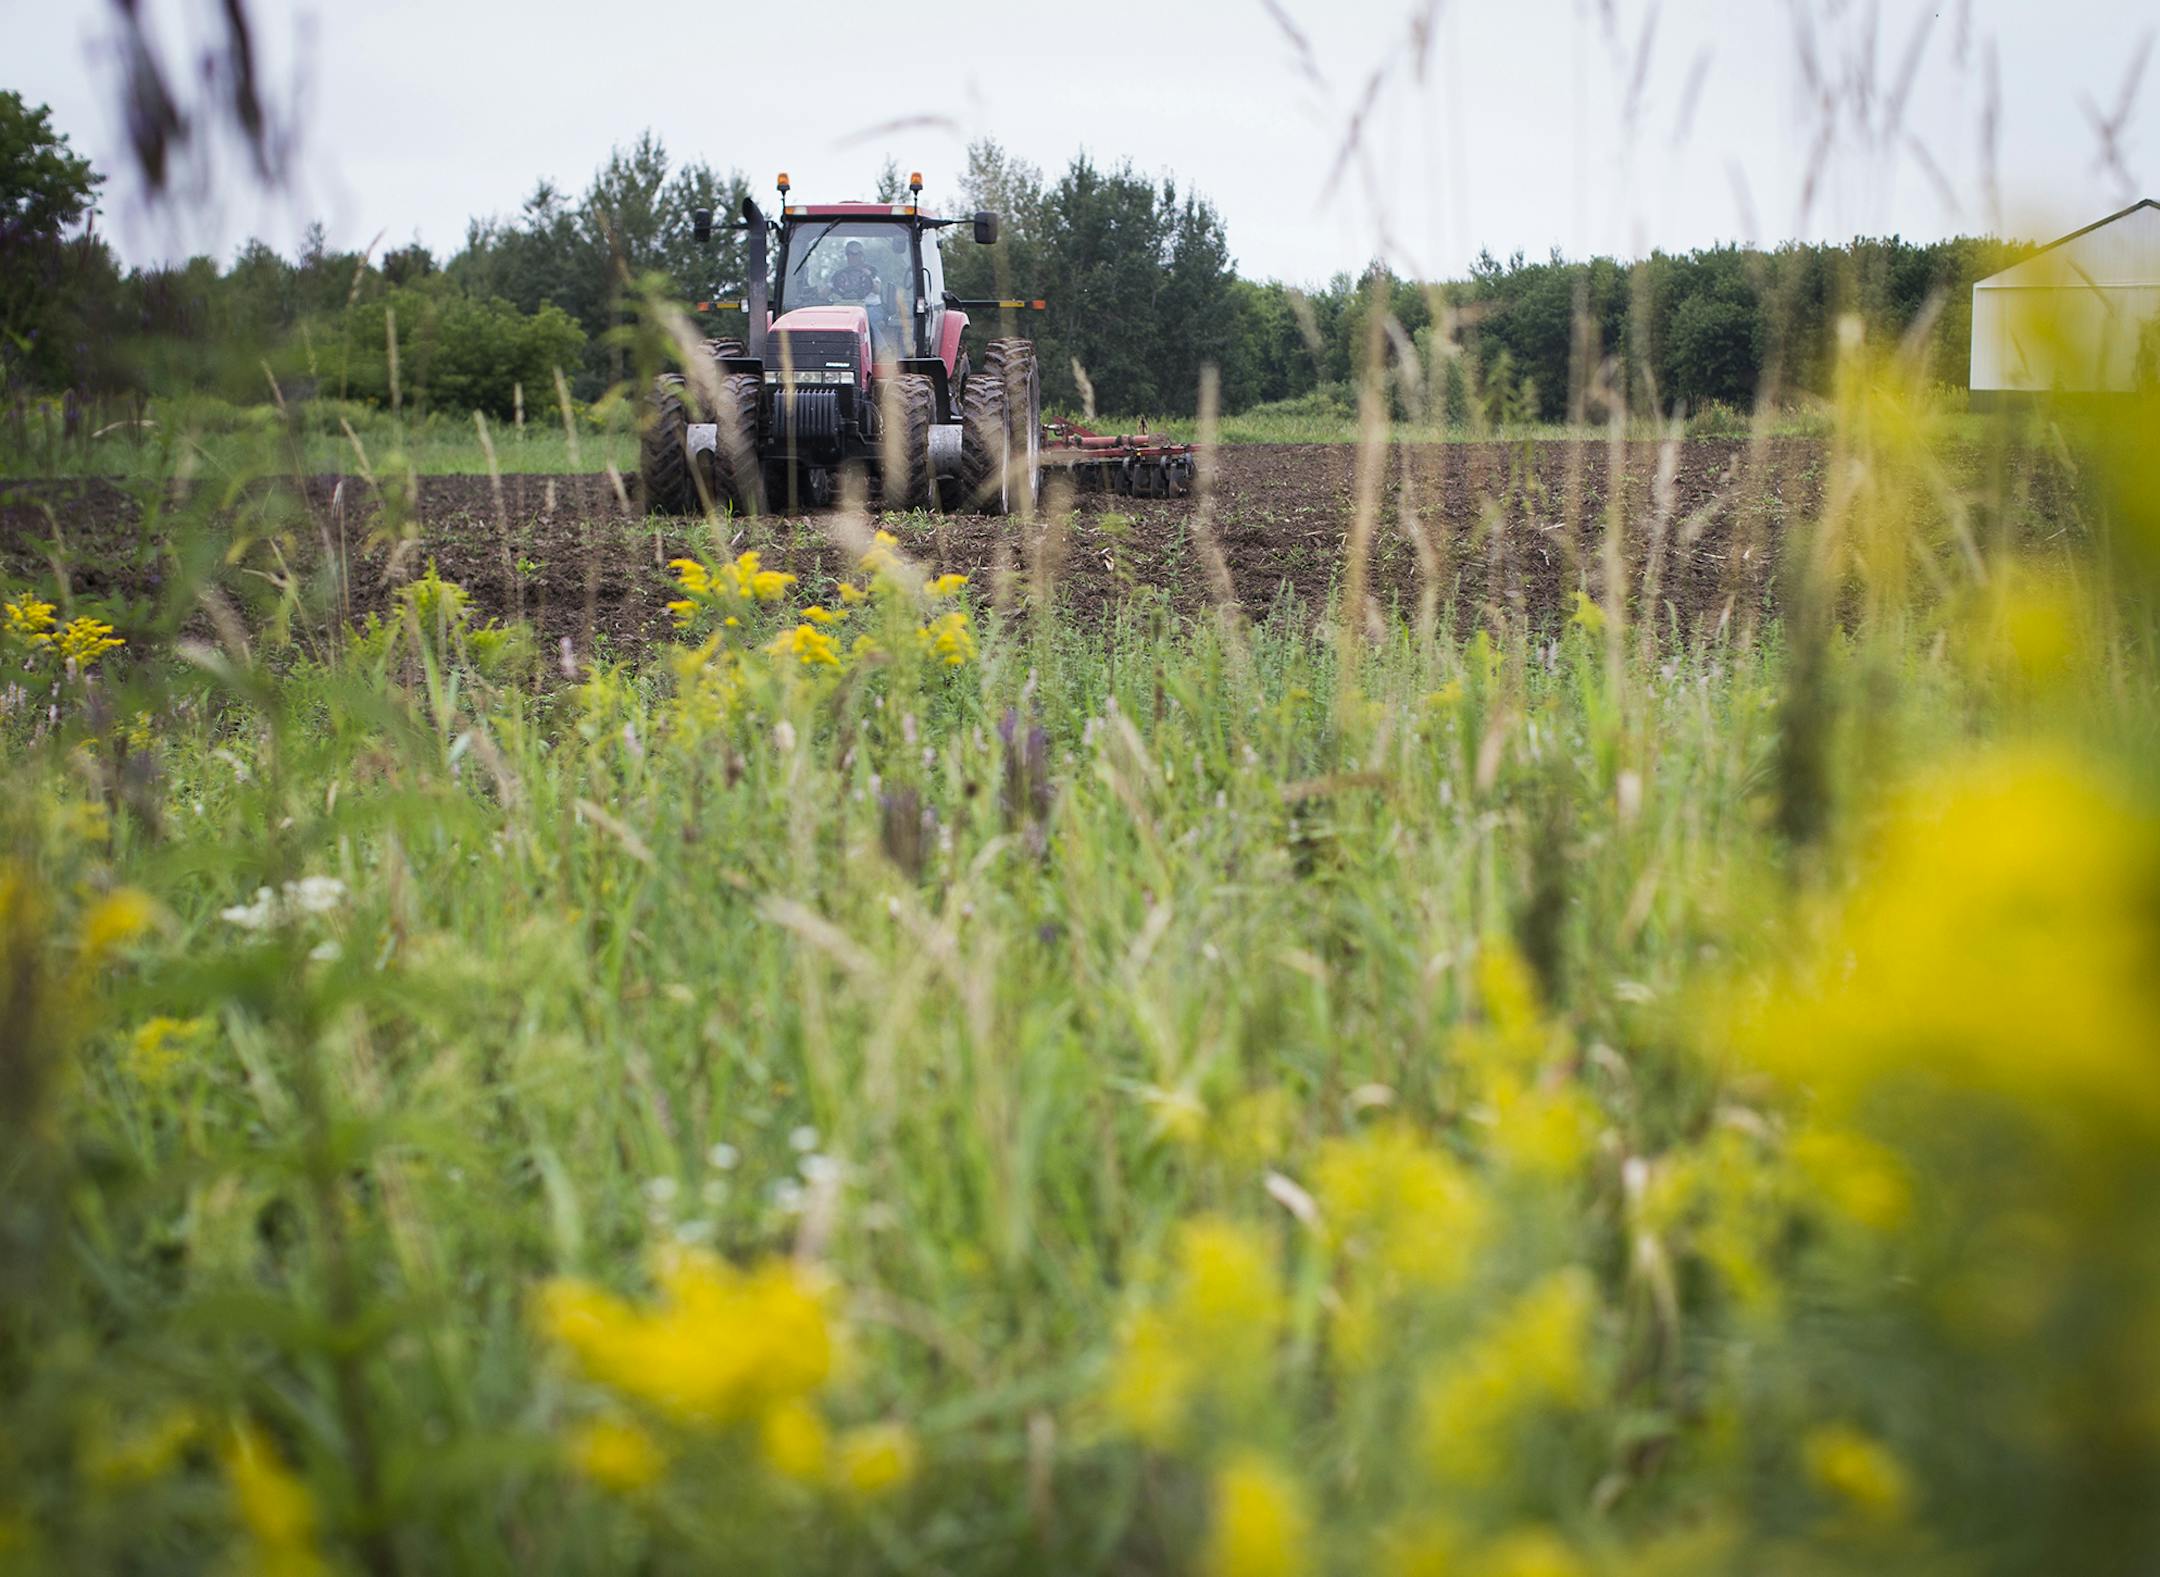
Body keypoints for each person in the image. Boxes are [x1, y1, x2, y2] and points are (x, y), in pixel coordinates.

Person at [827, 239, 881, 303]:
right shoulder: (840, 275)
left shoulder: (871, 271)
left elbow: (877, 290)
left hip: (869, 307)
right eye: (848, 254)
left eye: (854, 254)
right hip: (847, 306)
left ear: (861, 255)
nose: (850, 257)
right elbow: (825, 292)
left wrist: (869, 276)